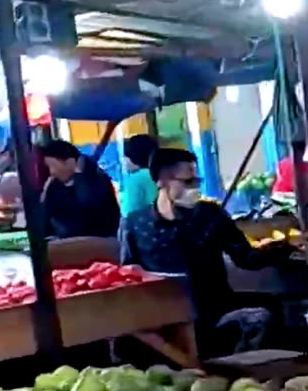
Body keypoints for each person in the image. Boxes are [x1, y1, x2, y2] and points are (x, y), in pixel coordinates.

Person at [120, 148, 293, 356]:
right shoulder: (134, 225)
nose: (195, 188)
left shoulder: (211, 215)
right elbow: (129, 274)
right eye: (187, 182)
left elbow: (246, 258)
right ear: (162, 182)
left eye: (196, 181)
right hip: (165, 323)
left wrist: (289, 246)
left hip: (215, 314)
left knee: (264, 317)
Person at [39, 139, 121, 239]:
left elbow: (92, 213)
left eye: (53, 166)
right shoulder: (54, 186)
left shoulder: (95, 179)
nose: (51, 172)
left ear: (70, 162)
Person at [119, 134, 159, 216]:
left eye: (125, 156)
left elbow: (127, 212)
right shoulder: (158, 172)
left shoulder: (136, 179)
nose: (123, 161)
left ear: (133, 156)